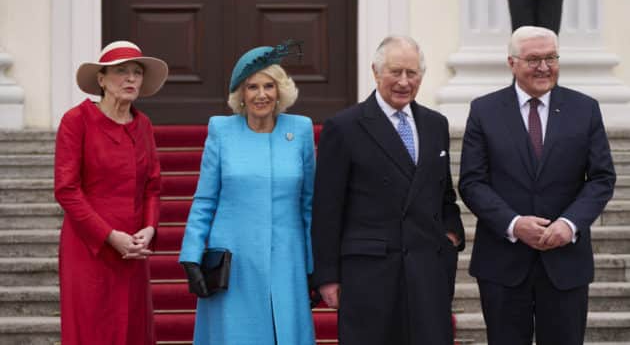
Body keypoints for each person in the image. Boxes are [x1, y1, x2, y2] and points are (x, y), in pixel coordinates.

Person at [458, 26, 616, 345]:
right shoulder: (483, 110)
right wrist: (514, 224)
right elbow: (473, 181)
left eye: (551, 58)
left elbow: (601, 178)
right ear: (511, 62)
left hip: (565, 264)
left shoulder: (585, 109)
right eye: (533, 59)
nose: (544, 67)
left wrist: (569, 224)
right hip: (503, 263)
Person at [311, 35, 465, 345]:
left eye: (413, 73)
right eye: (396, 72)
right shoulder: (344, 127)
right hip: (370, 274)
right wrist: (327, 277)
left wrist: (451, 235)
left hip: (427, 271)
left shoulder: (436, 124)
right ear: (376, 72)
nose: (404, 82)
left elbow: (443, 193)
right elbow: (327, 208)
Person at [179, 41, 316, 345]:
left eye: (269, 85)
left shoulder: (301, 131)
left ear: (280, 90)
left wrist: (313, 265)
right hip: (234, 261)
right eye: (252, 87)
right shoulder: (221, 131)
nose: (262, 94)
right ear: (241, 94)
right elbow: (205, 199)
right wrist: (191, 255)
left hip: (286, 258)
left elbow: (309, 204)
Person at [54, 40, 168, 344]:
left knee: (132, 328)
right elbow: (67, 190)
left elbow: (152, 187)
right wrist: (108, 235)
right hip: (89, 247)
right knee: (92, 329)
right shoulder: (76, 121)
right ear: (101, 80)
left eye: (137, 72)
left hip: (132, 248)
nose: (131, 78)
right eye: (121, 71)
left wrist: (149, 228)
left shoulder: (143, 125)